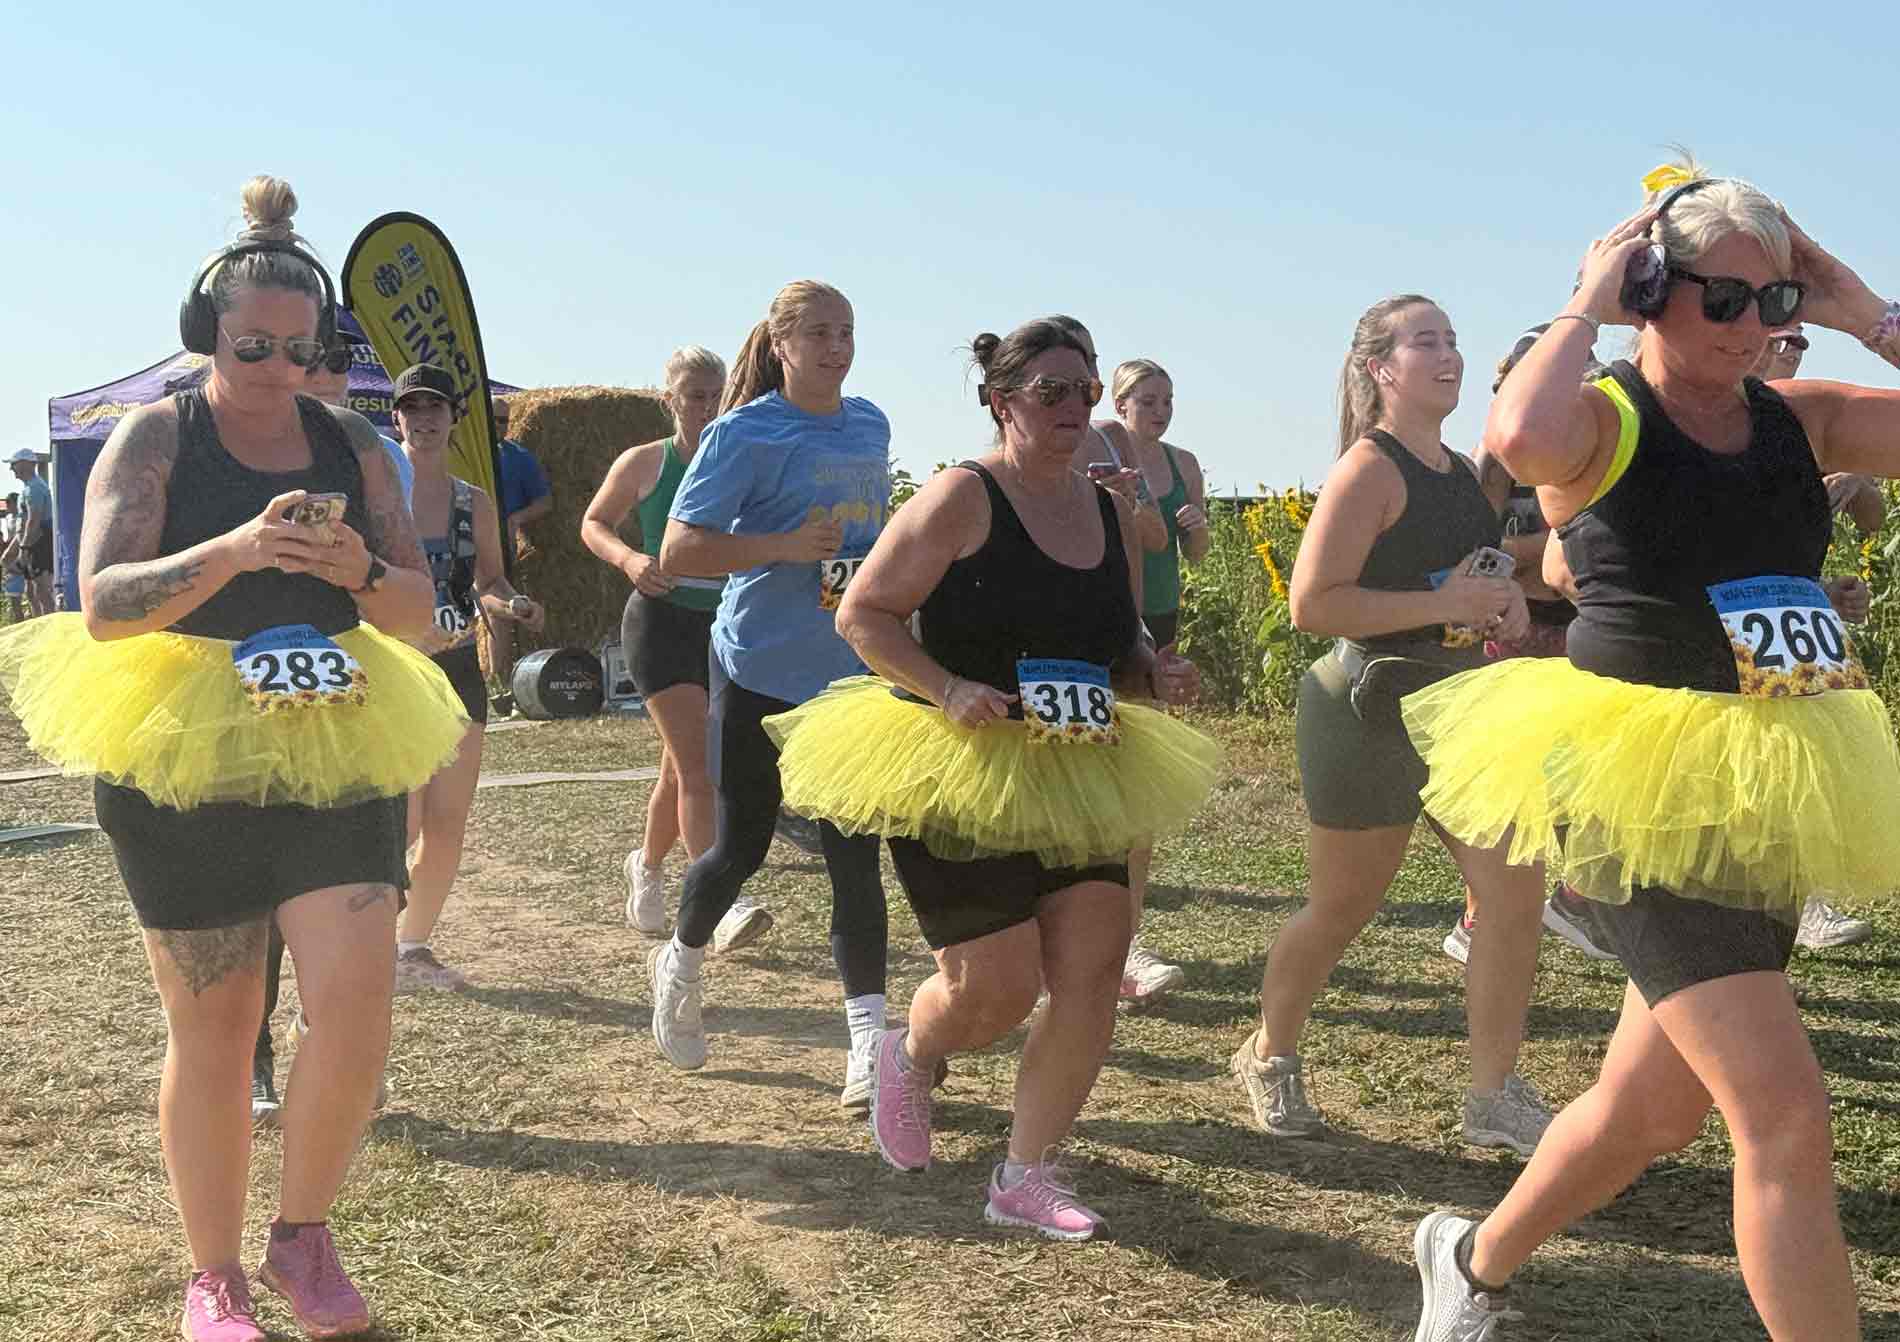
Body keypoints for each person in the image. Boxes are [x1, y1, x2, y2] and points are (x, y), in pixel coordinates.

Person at [1403, 166, 1900, 1340]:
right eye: (1718, 298)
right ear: (1650, 293)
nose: (1750, 326)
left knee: (1647, 1110)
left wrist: (1856, 308)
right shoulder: (1609, 419)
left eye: (1770, 301)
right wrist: (1585, 296)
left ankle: (1468, 1261)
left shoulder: (1801, 416)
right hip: (1641, 795)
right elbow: (1518, 434)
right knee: (1782, 1117)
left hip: (1772, 784)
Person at [0, 176, 466, 1341]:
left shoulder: (356, 442)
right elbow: (103, 602)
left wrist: (353, 568)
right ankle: (213, 1276)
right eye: (253, 343)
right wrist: (240, 547)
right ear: (206, 334)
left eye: (301, 349)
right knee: (216, 1017)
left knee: (356, 1002)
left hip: (335, 725)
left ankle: (303, 1235)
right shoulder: (156, 436)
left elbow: (414, 610)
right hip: (183, 743)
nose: (277, 366)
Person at [763, 318, 1218, 1236]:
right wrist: (946, 686)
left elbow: (1116, 634)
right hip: (962, 767)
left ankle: (1026, 1172)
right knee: (996, 992)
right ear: (1001, 401)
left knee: (1091, 971)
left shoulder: (1103, 508)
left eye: (1085, 392)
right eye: (1051, 391)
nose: (1073, 408)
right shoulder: (960, 497)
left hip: (1081, 764)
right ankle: (910, 1049)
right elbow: (865, 614)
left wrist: (1151, 670)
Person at [1230, 294, 1554, 1156]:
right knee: (1343, 907)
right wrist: (1448, 600)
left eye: (1452, 339)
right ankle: (1269, 1053)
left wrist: (1503, 607)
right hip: (1365, 709)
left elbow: (1468, 580)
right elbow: (1311, 604)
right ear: (1381, 369)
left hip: (1460, 705)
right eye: (1425, 342)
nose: (1447, 355)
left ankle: (1493, 1096)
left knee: (1515, 888)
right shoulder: (1368, 470)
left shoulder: (1460, 472)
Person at [649, 280, 893, 1111]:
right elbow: (681, 551)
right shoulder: (742, 432)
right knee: (740, 849)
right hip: (757, 665)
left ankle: (868, 1042)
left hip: (850, 675)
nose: (837, 346)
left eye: (847, 331)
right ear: (782, 343)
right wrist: (783, 545)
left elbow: (870, 542)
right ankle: (680, 963)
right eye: (819, 332)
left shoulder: (870, 425)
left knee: (854, 858)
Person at [253, 323, 415, 1119]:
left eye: (328, 362)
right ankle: (254, 1055)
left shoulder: (362, 447)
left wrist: (363, 569)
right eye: (288, 354)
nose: (311, 373)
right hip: (226, 699)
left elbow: (407, 587)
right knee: (251, 904)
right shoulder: (205, 434)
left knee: (361, 876)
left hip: (348, 689)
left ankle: (342, 1043)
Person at [580, 345, 772, 952]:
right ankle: (722, 901)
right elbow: (594, 523)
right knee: (699, 766)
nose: (708, 407)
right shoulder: (646, 462)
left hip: (722, 627)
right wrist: (632, 559)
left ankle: (647, 865)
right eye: (695, 395)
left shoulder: (739, 460)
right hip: (660, 621)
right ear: (671, 400)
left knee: (678, 763)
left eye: (718, 395)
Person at [393, 364, 545, 991]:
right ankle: (369, 944)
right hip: (393, 672)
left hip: (457, 670)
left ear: (455, 419)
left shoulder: (473, 501)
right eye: (413, 408)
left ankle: (412, 948)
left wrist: (514, 605)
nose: (426, 419)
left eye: (437, 408)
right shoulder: (380, 493)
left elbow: (489, 581)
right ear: (396, 418)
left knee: (447, 820)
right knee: (396, 823)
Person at [1107, 358, 1209, 1002]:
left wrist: (1195, 530)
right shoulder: (1099, 452)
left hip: (1160, 617)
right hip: (1109, 616)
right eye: (1146, 399)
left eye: (1166, 398)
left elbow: (1194, 556)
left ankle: (1126, 944)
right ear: (1119, 404)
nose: (1159, 409)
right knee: (1097, 772)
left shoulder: (1184, 463)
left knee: (1138, 775)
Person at [490, 397, 552, 689]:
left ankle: (500, 681)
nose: (498, 426)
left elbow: (544, 502)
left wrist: (515, 519)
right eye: (493, 419)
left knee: (498, 609)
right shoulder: (459, 452)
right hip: (459, 537)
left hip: (500, 542)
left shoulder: (518, 457)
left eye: (504, 420)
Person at [8, 448, 54, 617]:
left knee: (41, 591)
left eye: (14, 464)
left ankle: (50, 628)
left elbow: (34, 521)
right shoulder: (28, 488)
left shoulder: (35, 487)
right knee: (32, 592)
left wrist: (23, 550)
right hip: (31, 543)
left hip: (38, 543)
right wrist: (13, 549)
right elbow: (23, 522)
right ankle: (38, 626)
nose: (11, 469)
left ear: (26, 464)